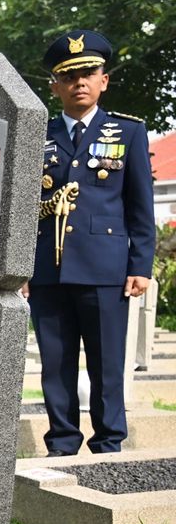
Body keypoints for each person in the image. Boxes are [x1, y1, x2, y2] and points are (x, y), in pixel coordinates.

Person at [24, 30, 155, 456]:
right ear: (55, 85)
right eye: (69, 75)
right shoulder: (34, 138)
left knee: (107, 364)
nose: (80, 81)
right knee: (55, 365)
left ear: (104, 80)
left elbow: (139, 206)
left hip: (106, 267)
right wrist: (20, 268)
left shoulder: (129, 133)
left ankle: (109, 444)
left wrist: (141, 264)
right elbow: (23, 208)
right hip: (48, 268)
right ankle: (61, 443)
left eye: (89, 73)